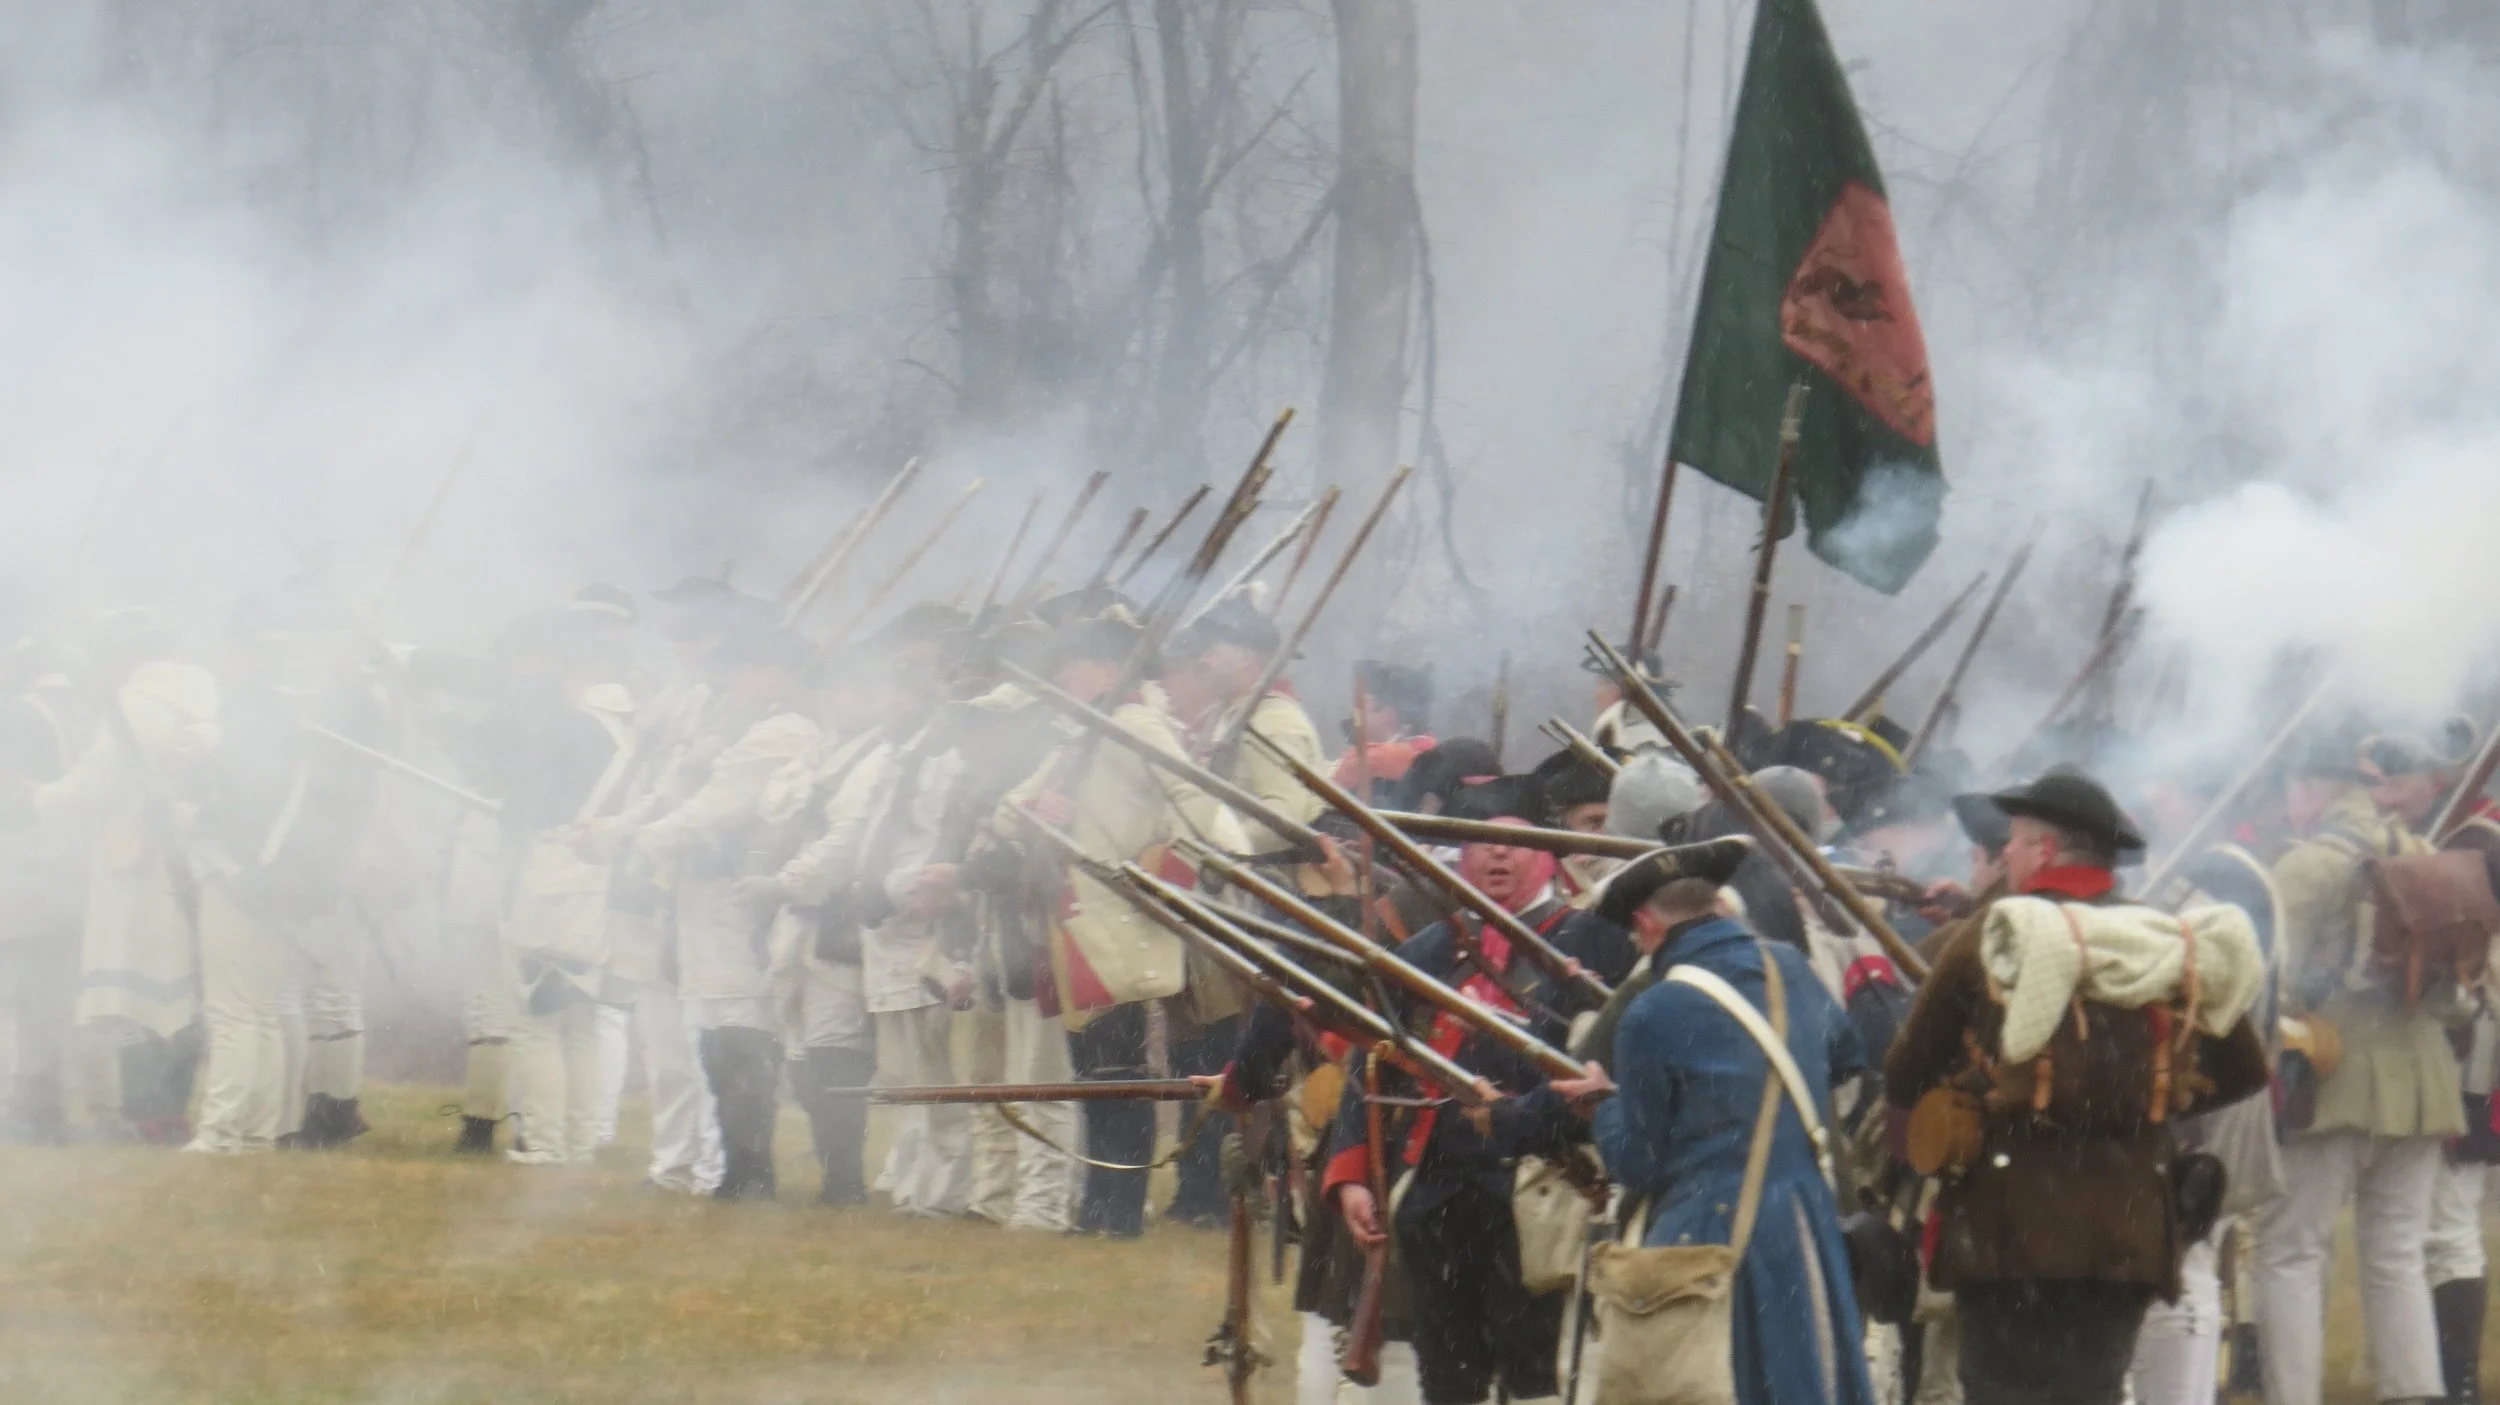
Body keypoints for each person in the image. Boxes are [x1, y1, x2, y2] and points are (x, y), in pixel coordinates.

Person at [1885, 769, 2270, 1405]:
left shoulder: (1987, 935)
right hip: (2126, 1223)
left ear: (2045, 850)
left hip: (2005, 1222)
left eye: (2014, 839)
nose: (2004, 851)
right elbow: (2244, 1068)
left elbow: (1905, 1071)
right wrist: (2148, 1095)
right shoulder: (2165, 941)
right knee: (2092, 1390)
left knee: (2000, 1392)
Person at [1320, 789, 1636, 1405]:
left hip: (1543, 1189)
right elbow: (1372, 1057)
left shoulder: (1595, 944)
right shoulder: (1432, 950)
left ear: (1549, 859)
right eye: (1482, 842)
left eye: (1515, 842)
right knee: (1447, 1375)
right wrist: (1353, 1171)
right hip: (1439, 1191)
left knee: (1534, 1374)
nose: (1497, 854)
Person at [1580, 832, 1876, 1405]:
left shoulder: (1653, 1011)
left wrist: (1600, 1105)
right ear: (1715, 904)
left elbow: (1637, 1162)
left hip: (1708, 1236)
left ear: (1645, 922)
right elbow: (1847, 1058)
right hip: (1803, 1219)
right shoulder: (1789, 966)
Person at [2255, 737, 2472, 1405]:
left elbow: (2269, 976)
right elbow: (2455, 991)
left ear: (2313, 789)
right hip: (2422, 1081)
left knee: (2292, 1252)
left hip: (2331, 1076)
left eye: (2293, 790)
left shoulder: (2312, 863)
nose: (2290, 805)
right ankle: (2416, 1391)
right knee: (2398, 1253)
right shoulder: (2423, 855)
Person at [37, 610, 219, 1145]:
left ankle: (147, 1113)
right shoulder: (203, 697)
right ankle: (170, 1108)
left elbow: (93, 782)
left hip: (138, 868)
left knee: (135, 997)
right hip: (189, 860)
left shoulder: (138, 708)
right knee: (182, 996)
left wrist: (36, 798)